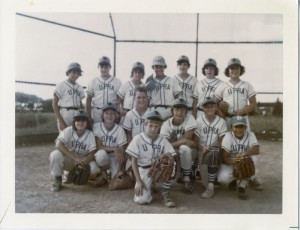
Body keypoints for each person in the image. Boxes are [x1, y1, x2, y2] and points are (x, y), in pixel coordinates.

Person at [126, 110, 177, 207]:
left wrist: (174, 172)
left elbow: (172, 156)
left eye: (156, 126)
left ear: (160, 127)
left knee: (169, 160)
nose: (153, 129)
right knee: (141, 200)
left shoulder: (162, 139)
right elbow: (133, 161)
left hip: (157, 169)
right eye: (150, 126)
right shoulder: (138, 138)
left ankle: (165, 192)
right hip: (143, 170)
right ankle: (150, 187)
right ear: (145, 125)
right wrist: (138, 181)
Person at [49, 109, 100, 192]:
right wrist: (75, 158)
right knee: (55, 154)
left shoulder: (90, 134)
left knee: (94, 169)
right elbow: (58, 144)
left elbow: (92, 153)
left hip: (84, 160)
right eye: (78, 120)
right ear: (74, 121)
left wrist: (84, 163)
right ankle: (57, 179)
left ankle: (74, 176)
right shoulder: (68, 130)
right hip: (71, 160)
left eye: (83, 120)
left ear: (87, 122)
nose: (80, 122)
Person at [218, 116, 263, 200]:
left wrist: (244, 154)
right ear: (231, 127)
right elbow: (224, 157)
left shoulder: (250, 134)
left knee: (252, 159)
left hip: (244, 160)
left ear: (246, 127)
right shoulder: (228, 136)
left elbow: (256, 149)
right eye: (236, 126)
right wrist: (237, 162)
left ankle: (242, 185)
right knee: (223, 177)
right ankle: (234, 180)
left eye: (241, 126)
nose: (239, 129)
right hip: (231, 162)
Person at [160, 98, 198, 194]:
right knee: (180, 147)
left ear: (186, 111)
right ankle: (168, 180)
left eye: (182, 109)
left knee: (184, 148)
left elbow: (189, 135)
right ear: (172, 111)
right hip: (172, 152)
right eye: (177, 109)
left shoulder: (190, 118)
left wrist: (178, 143)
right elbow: (166, 145)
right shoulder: (166, 124)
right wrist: (185, 140)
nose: (179, 112)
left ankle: (186, 178)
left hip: (190, 152)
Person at [195, 97, 228, 198]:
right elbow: (195, 139)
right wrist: (201, 148)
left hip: (215, 150)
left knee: (213, 152)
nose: (210, 109)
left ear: (216, 107)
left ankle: (211, 186)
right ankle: (201, 174)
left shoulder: (221, 121)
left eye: (212, 106)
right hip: (202, 150)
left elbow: (222, 139)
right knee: (204, 181)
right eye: (207, 107)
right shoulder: (199, 120)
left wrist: (213, 147)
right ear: (203, 109)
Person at [214, 58, 257, 130]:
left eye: (237, 68)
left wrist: (243, 111)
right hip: (227, 118)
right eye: (232, 68)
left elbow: (253, 103)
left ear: (241, 70)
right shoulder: (223, 85)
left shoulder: (247, 85)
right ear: (228, 71)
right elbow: (215, 103)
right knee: (227, 140)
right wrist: (221, 115)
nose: (234, 70)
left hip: (242, 118)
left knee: (244, 140)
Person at [93, 102, 127, 180]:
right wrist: (114, 148)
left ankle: (111, 174)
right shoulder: (97, 126)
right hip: (103, 155)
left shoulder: (120, 129)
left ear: (115, 115)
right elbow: (99, 146)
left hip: (114, 157)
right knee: (101, 155)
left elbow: (121, 150)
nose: (109, 116)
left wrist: (118, 171)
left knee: (115, 178)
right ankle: (103, 171)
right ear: (102, 115)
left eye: (112, 114)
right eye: (106, 113)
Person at [86, 56, 122, 125]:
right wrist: (89, 116)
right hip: (97, 112)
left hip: (111, 113)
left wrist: (118, 113)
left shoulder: (117, 81)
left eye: (106, 67)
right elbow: (88, 100)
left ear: (110, 67)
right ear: (98, 67)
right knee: (97, 132)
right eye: (101, 67)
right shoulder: (93, 81)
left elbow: (120, 100)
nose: (103, 69)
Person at [145, 55, 182, 121]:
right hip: (154, 110)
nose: (158, 69)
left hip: (168, 110)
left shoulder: (171, 80)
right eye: (156, 67)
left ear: (164, 67)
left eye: (161, 67)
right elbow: (147, 100)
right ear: (153, 67)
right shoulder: (150, 82)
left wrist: (174, 109)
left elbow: (177, 96)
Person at [52, 62, 85, 132]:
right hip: (65, 113)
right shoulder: (61, 85)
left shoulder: (80, 87)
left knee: (76, 138)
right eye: (73, 72)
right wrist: (61, 121)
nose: (76, 75)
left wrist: (83, 117)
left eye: (78, 73)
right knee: (64, 138)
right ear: (68, 72)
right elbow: (54, 104)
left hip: (77, 114)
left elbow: (81, 105)